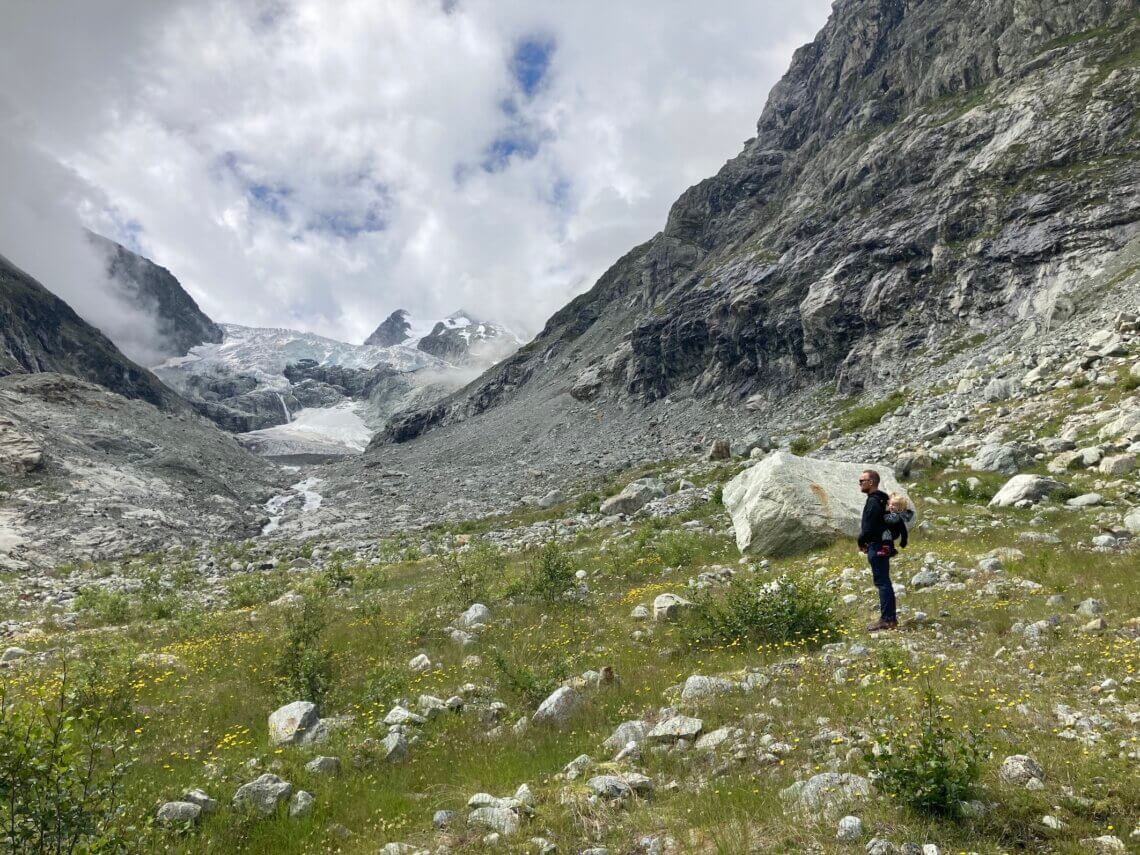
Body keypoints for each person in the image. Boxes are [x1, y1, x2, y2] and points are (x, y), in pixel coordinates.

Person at [857, 469, 896, 631]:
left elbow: (868, 527)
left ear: (871, 482)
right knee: (884, 581)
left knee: (882, 582)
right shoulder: (882, 499)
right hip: (884, 545)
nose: (859, 484)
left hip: (877, 546)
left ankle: (887, 619)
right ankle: (889, 618)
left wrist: (861, 541)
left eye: (862, 481)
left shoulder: (873, 501)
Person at [881, 493, 915, 557]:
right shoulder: (889, 513)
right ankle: (892, 551)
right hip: (888, 531)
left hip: (894, 532)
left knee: (886, 536)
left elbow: (903, 530)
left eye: (894, 505)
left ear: (900, 509)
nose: (890, 506)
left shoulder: (898, 517)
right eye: (890, 504)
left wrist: (903, 540)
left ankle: (886, 551)